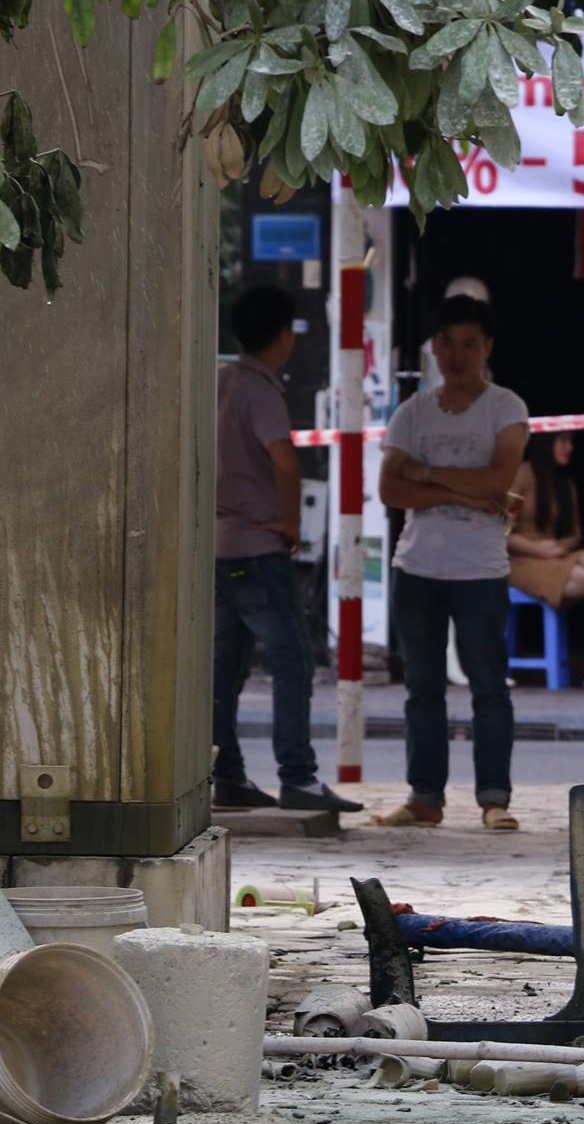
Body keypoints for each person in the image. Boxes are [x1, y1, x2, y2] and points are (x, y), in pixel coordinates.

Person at [376, 295, 530, 831]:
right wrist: (466, 495)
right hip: (416, 568)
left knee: (489, 685)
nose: (457, 354)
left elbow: (498, 480)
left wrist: (427, 473)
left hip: (480, 571)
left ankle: (494, 798)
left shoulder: (505, 408)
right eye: (447, 343)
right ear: (433, 349)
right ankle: (425, 798)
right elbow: (390, 489)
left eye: (470, 343)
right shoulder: (411, 412)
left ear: (487, 348)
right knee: (422, 689)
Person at [211, 285, 362, 815]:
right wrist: (292, 522)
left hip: (219, 546)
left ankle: (225, 773)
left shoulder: (219, 381)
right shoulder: (261, 391)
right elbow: (285, 461)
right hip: (259, 546)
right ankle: (298, 776)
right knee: (292, 661)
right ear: (283, 337)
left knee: (224, 668)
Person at [508, 431, 584, 690]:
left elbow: (575, 535)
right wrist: (539, 549)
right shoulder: (522, 475)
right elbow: (499, 531)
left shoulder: (564, 481)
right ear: (545, 444)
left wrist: (560, 546)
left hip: (557, 555)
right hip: (521, 562)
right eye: (563, 441)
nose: (569, 447)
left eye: (571, 442)